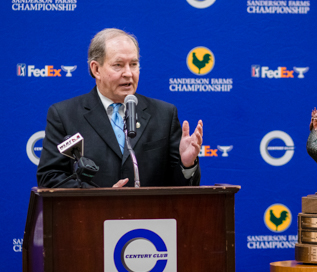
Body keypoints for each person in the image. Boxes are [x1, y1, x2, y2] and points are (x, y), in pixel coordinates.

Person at [37, 28, 203, 188]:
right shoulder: (65, 115)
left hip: (151, 216)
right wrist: (102, 198)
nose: (128, 73)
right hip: (91, 216)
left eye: (133, 64)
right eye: (118, 65)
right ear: (96, 69)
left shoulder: (164, 115)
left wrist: (187, 164)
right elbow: (50, 178)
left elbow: (180, 187)